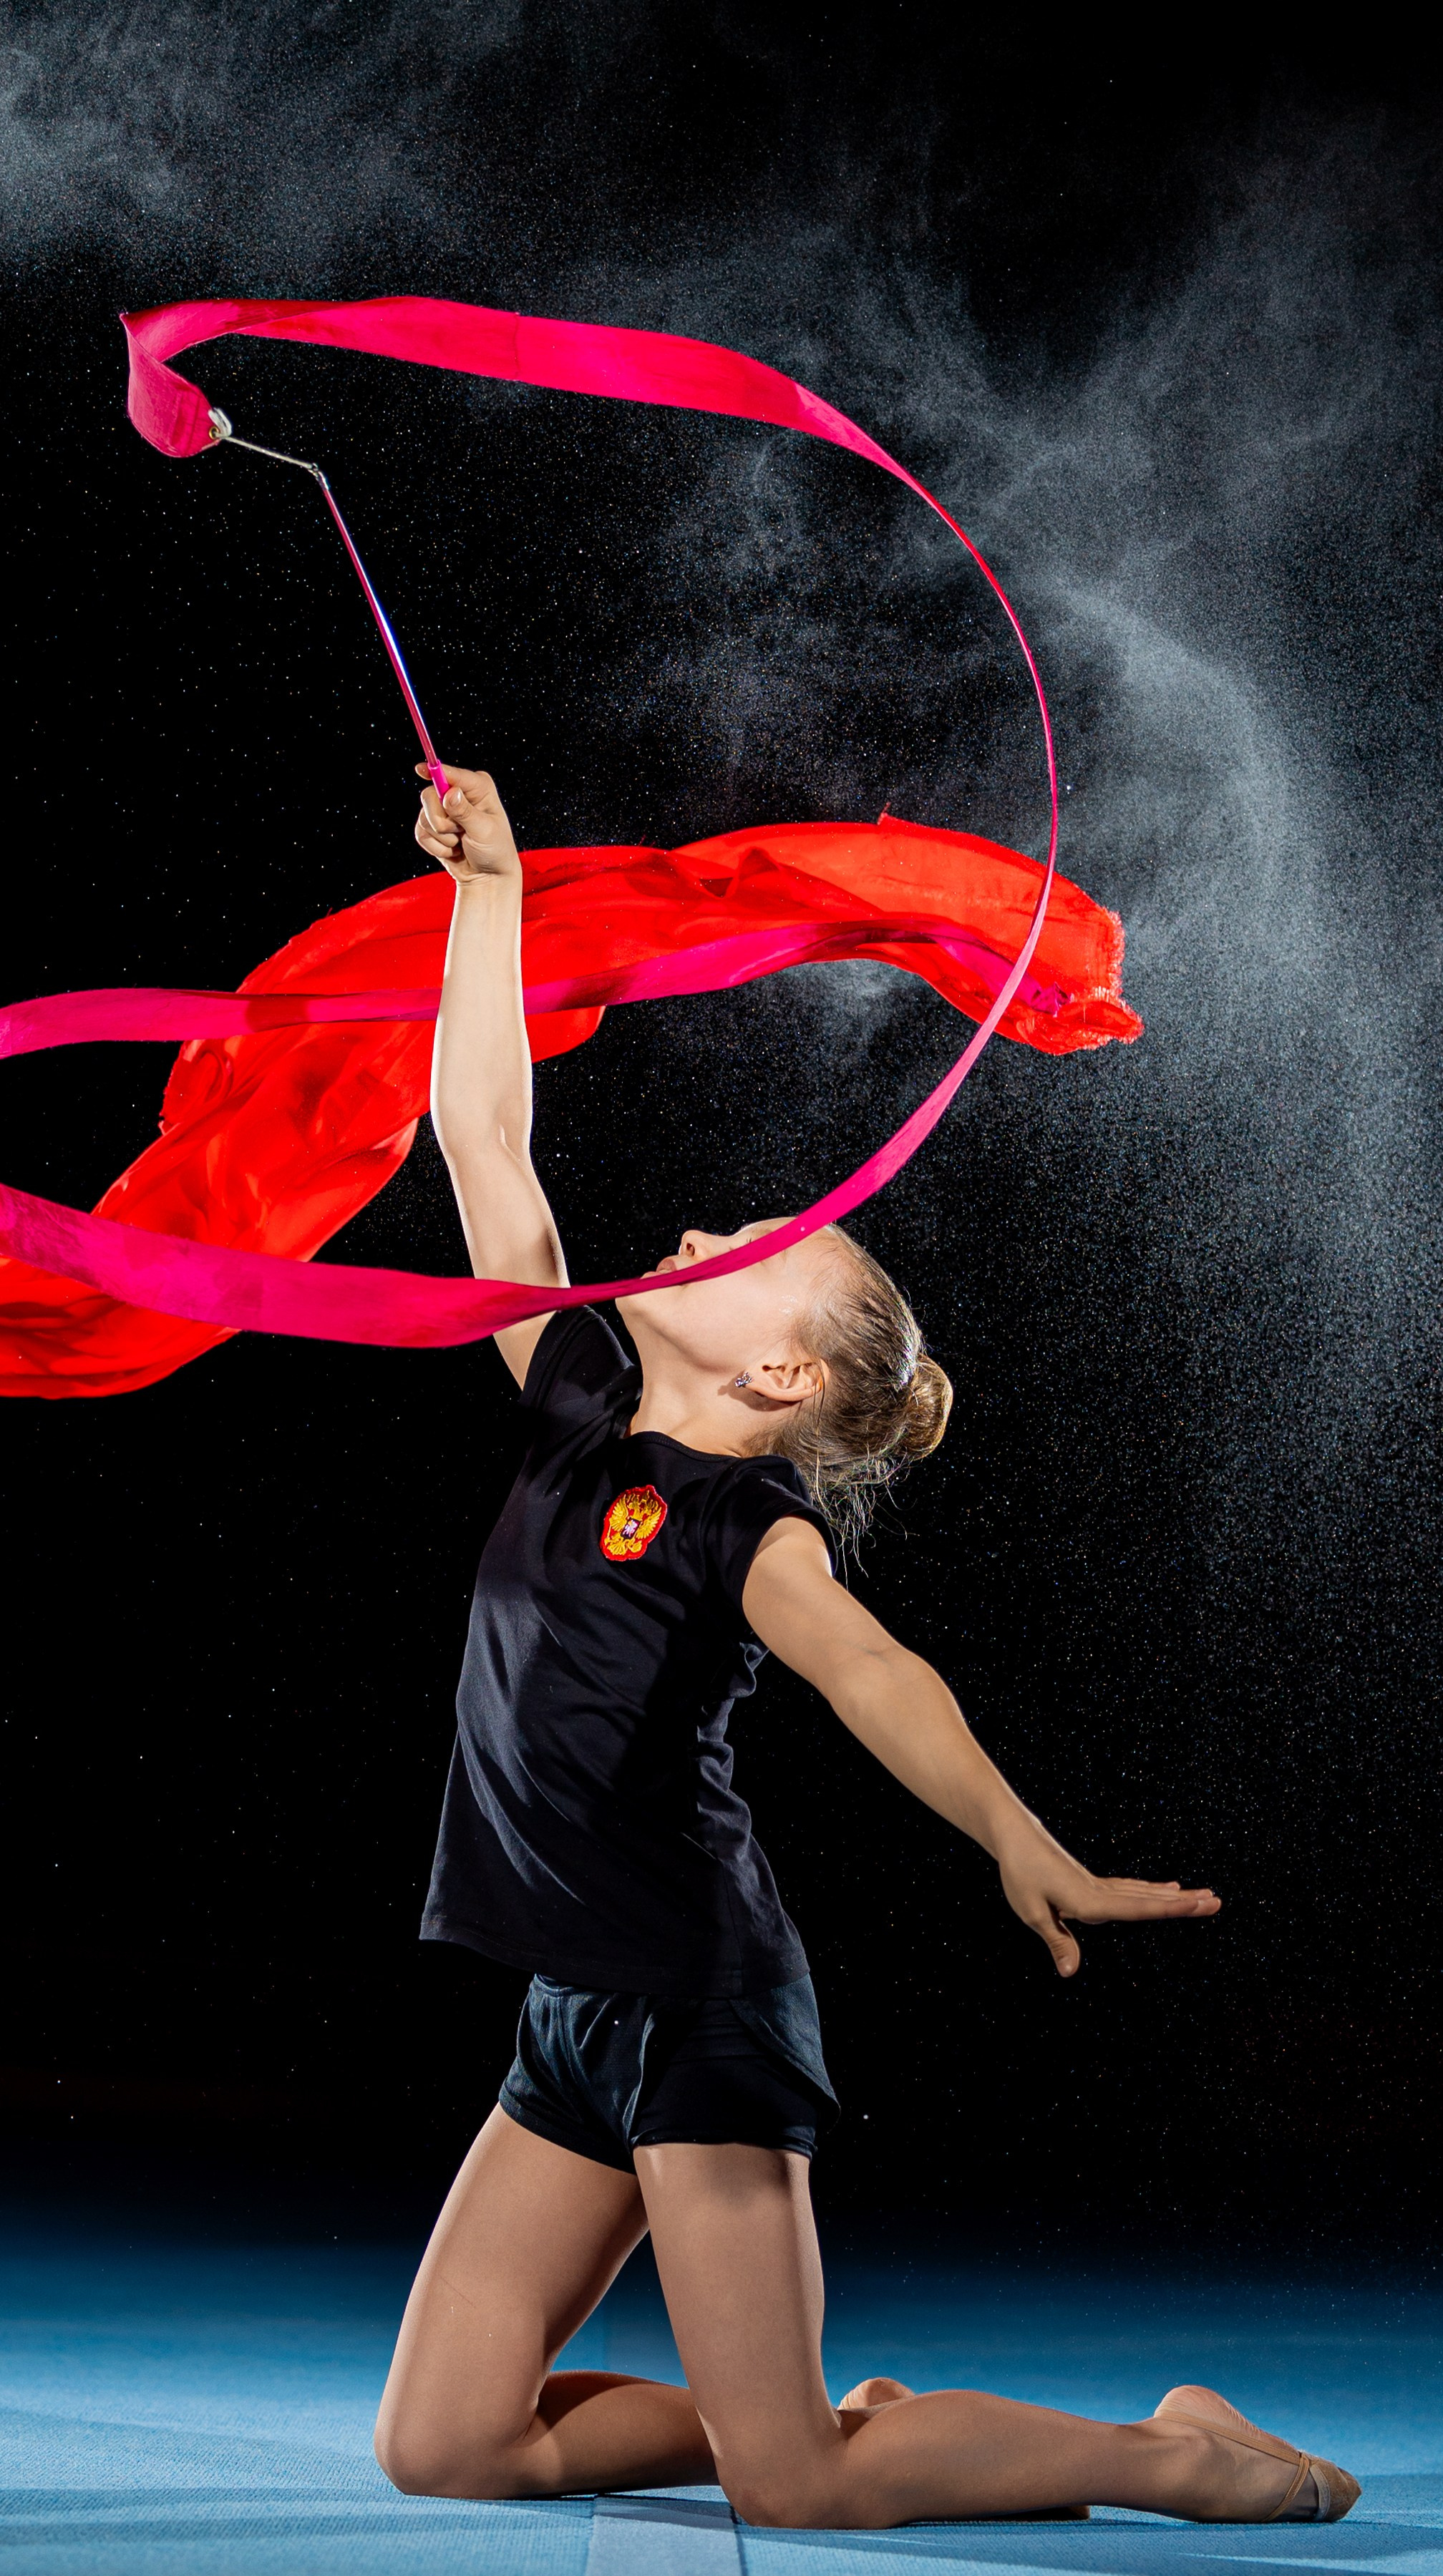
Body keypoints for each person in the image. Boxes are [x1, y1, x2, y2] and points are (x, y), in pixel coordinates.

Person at [373, 765, 1359, 2530]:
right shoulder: (577, 1404)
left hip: (696, 2004)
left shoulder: (752, 1530)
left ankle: (1178, 2454)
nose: (693, 1234)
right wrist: (491, 895)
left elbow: (878, 1675)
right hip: (576, 2004)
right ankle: (826, 2415)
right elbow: (486, 1143)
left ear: (782, 1383)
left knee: (802, 2493)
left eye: (747, 1251)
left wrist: (1019, 1840)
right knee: (447, 2449)